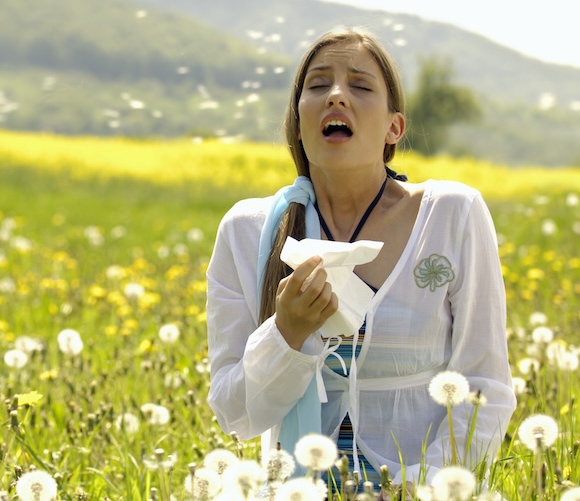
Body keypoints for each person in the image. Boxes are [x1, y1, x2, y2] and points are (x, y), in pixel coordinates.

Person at [205, 26, 516, 492]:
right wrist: (285, 333)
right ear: (298, 118)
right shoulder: (247, 231)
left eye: (360, 85)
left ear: (395, 127)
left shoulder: (452, 215)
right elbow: (235, 412)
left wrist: (422, 489)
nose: (336, 96)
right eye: (317, 85)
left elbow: (484, 388)